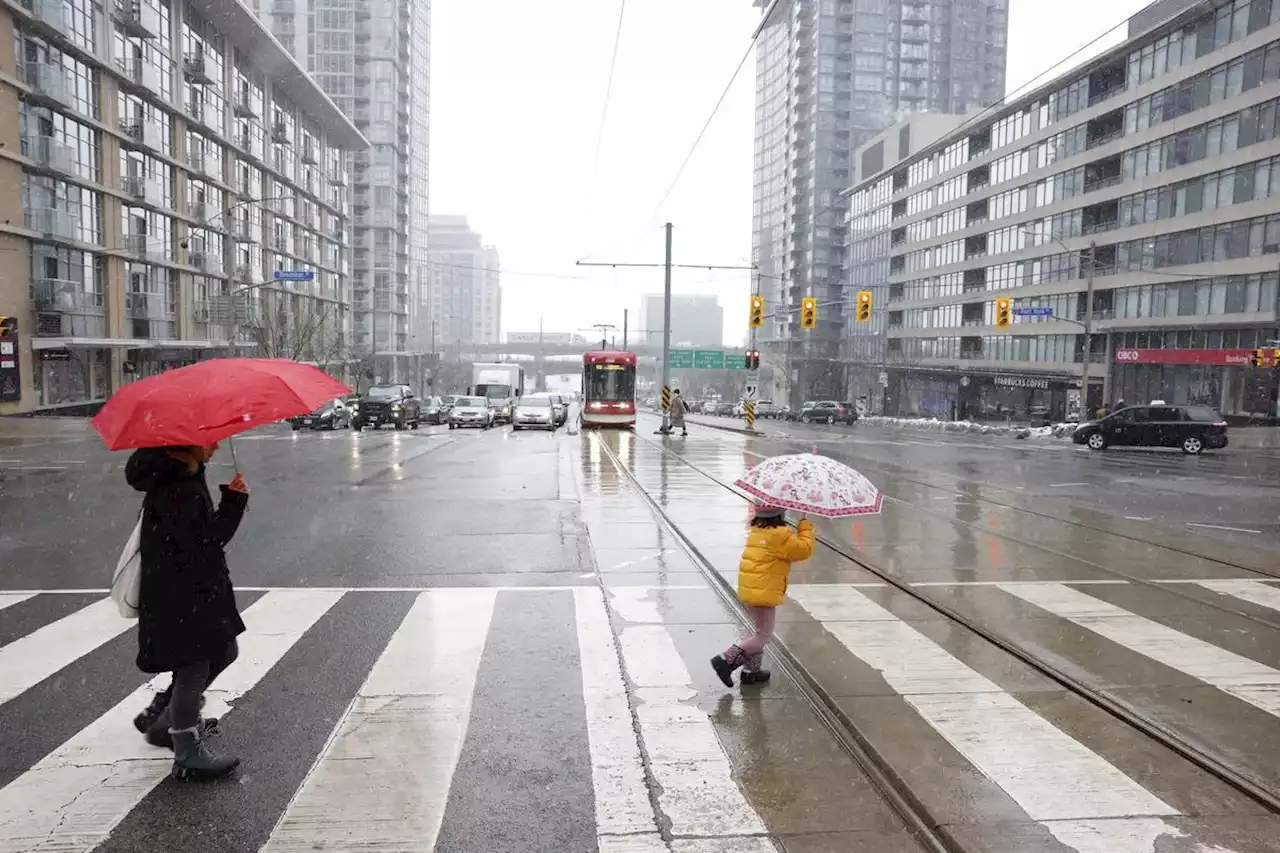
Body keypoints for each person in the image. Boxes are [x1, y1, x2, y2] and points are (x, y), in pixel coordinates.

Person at [125, 443, 249, 781]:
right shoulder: (179, 488)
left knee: (223, 650)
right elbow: (207, 543)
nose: (216, 444)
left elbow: (198, 540)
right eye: (209, 439)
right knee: (195, 666)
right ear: (186, 444)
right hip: (184, 596)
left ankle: (168, 715)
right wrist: (234, 503)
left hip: (183, 593)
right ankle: (186, 752)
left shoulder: (178, 476)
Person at [711, 505, 815, 686]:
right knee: (763, 636)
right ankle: (726, 661)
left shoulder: (757, 530)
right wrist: (805, 524)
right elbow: (804, 550)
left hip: (752, 588)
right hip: (764, 592)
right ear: (780, 515)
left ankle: (752, 671)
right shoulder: (780, 535)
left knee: (758, 632)